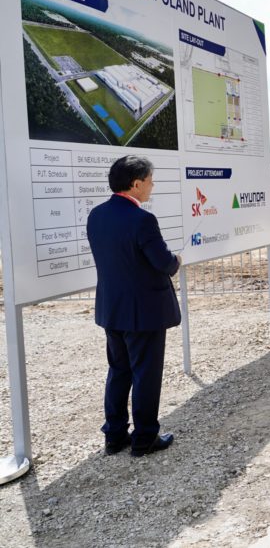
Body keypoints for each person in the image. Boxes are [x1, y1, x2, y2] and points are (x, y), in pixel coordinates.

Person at [87, 155, 181, 457]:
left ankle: (114, 436)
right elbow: (164, 263)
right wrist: (177, 260)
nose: (152, 186)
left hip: (112, 309)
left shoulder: (96, 215)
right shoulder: (142, 219)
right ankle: (144, 438)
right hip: (143, 313)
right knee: (145, 375)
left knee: (119, 371)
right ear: (136, 183)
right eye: (150, 181)